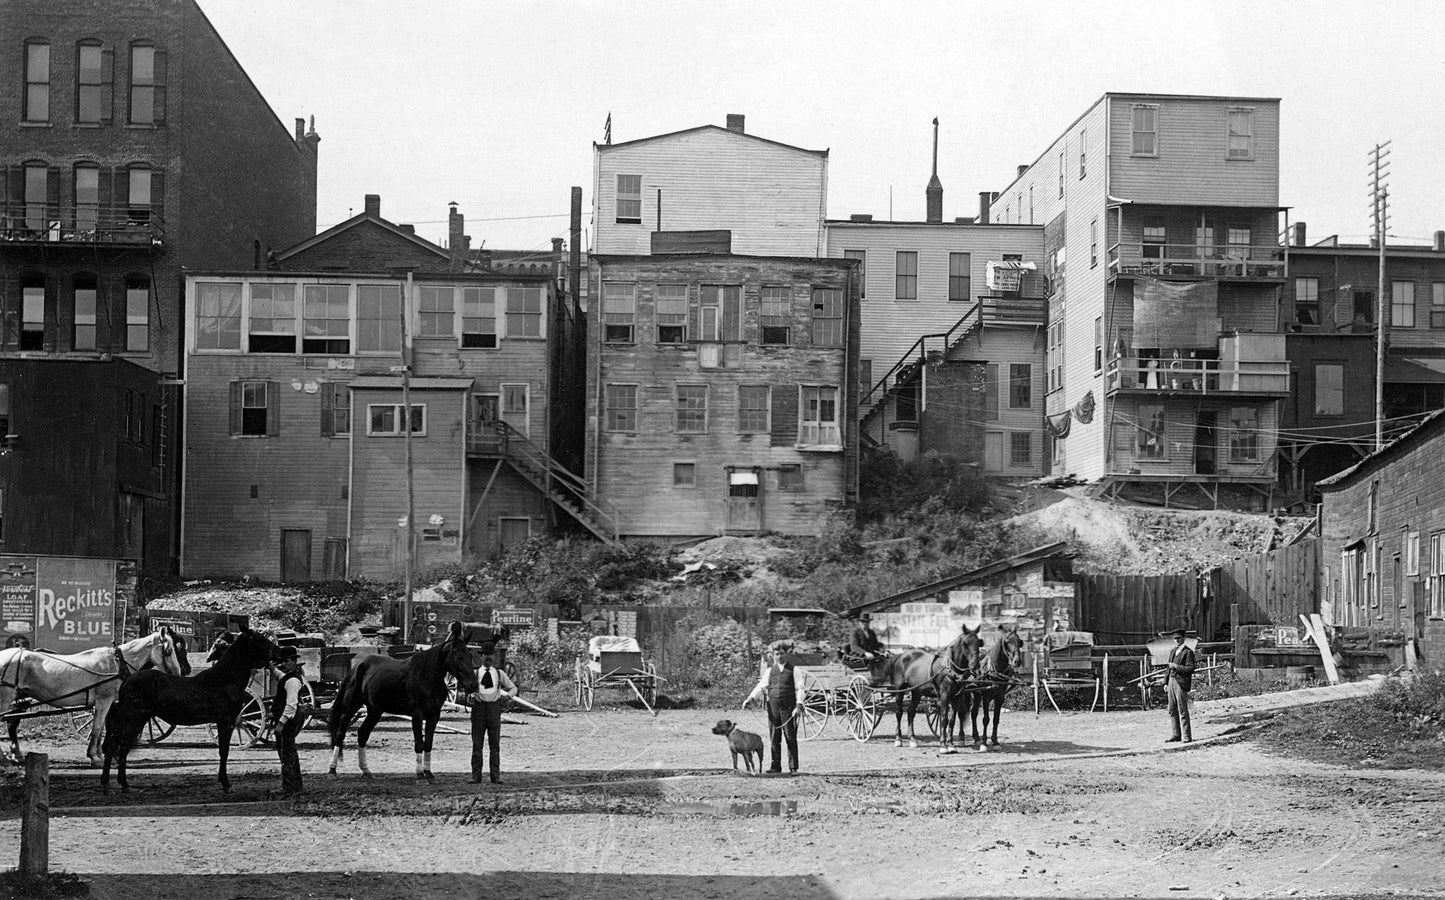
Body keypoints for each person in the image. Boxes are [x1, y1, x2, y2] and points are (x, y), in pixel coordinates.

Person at [741, 641, 798, 775]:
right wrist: (750, 699)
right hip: (773, 707)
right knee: (774, 737)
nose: (779, 656)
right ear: (773, 656)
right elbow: (761, 687)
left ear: (786, 654)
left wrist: (799, 706)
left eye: (782, 653)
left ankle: (793, 767)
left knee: (790, 736)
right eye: (777, 654)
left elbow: (800, 689)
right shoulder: (769, 671)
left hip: (789, 707)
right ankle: (775, 766)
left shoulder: (794, 670)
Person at [465, 645, 515, 784]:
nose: (488, 657)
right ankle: (476, 776)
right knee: (477, 744)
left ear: (494, 657)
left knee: (495, 745)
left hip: (494, 710)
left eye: (490, 654)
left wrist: (508, 697)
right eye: (485, 654)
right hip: (479, 710)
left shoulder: (499, 674)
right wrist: (470, 696)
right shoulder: (475, 674)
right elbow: (467, 691)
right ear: (480, 657)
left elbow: (513, 688)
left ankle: (495, 776)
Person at [265, 645, 307, 797]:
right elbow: (280, 677)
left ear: (294, 661)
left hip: (288, 722)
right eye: (283, 662)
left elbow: (291, 705)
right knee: (290, 753)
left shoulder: (292, 681)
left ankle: (288, 788)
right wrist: (271, 668)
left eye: (287, 661)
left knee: (286, 755)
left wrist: (281, 723)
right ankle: (296, 787)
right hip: (291, 721)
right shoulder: (290, 677)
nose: (284, 664)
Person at [1164, 628, 1196, 744]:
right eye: (1175, 639)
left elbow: (1190, 669)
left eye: (1178, 638)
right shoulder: (1173, 651)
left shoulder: (1188, 652)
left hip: (1181, 682)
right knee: (1171, 709)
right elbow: (1168, 668)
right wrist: (1165, 683)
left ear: (1183, 638)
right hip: (1171, 681)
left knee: (1182, 709)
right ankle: (1176, 734)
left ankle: (1186, 736)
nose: (1177, 640)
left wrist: (1176, 666)